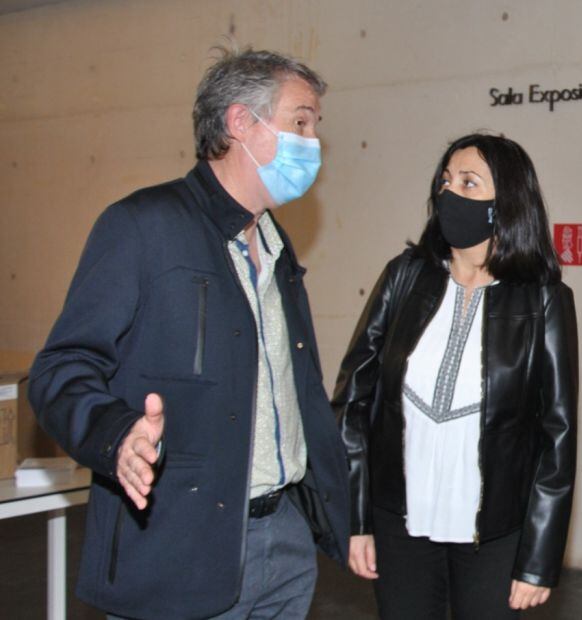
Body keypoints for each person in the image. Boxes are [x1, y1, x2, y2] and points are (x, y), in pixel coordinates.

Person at [28, 47, 349, 619]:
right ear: (239, 123)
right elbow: (61, 368)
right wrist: (115, 432)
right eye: (300, 121)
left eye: (315, 126)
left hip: (286, 543)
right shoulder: (141, 227)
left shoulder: (276, 247)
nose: (313, 141)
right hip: (180, 553)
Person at [334, 133, 578, 618]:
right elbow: (352, 399)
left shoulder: (544, 300)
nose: (450, 194)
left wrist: (538, 559)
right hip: (399, 519)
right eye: (446, 181)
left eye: (469, 183)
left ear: (506, 202)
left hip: (494, 530)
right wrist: (355, 518)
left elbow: (558, 435)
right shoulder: (404, 276)